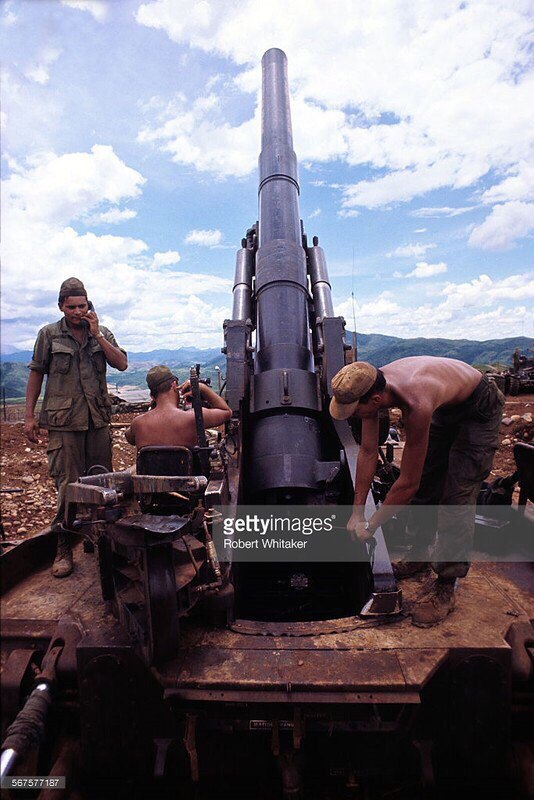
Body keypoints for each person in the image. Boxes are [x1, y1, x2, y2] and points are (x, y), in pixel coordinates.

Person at [329, 357, 504, 626]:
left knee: (456, 497)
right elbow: (367, 451)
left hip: (479, 407)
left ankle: (446, 585)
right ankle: (419, 554)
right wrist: (356, 513)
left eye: (354, 410)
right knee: (428, 481)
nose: (352, 415)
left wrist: (372, 524)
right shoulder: (371, 385)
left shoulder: (416, 403)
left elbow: (407, 483)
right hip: (446, 407)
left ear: (374, 401)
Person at [24, 277, 127, 578]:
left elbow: (121, 363)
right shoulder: (48, 335)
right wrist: (29, 416)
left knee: (101, 483)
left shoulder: (101, 332)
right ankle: (64, 545)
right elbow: (36, 375)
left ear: (89, 304)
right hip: (64, 424)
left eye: (82, 306)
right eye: (71, 307)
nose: (78, 312)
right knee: (67, 487)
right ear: (61, 306)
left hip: (97, 420)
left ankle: (101, 542)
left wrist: (98, 336)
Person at [125, 365, 231, 449]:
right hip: (187, 476)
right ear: (174, 385)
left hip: (148, 477)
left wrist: (152, 410)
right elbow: (226, 412)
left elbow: (129, 437)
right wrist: (201, 387)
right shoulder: (193, 417)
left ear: (152, 395)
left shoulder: (138, 424)